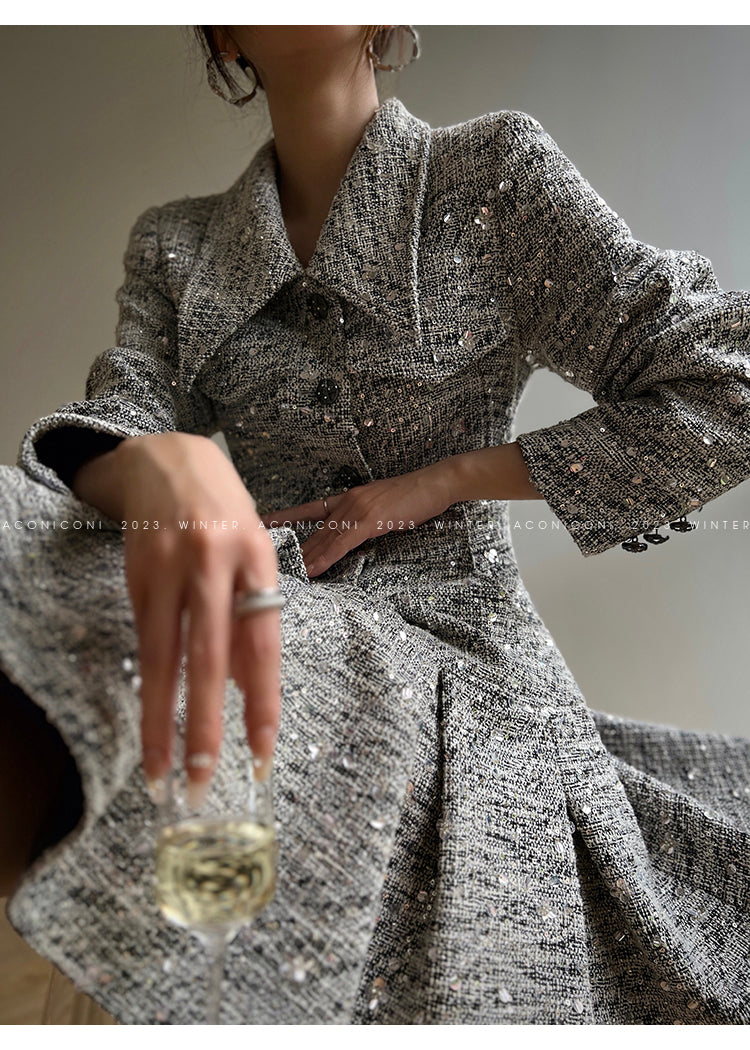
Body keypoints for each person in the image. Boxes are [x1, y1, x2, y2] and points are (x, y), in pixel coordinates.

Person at [1, 25, 749, 1025]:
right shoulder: (175, 246)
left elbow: (727, 384)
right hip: (275, 615)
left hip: (461, 660)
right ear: (221, 31)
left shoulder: (493, 176)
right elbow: (119, 416)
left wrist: (442, 482)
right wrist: (147, 460)